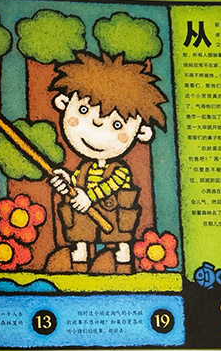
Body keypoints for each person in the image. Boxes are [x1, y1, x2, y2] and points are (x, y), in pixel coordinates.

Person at [47, 52, 167, 273]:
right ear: (64, 103)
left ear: (141, 132)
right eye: (83, 110)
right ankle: (79, 263)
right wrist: (66, 181)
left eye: (117, 125)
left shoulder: (120, 171)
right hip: (86, 217)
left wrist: (89, 196)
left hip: (116, 216)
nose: (97, 128)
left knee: (121, 242)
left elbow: (111, 185)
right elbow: (76, 183)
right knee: (80, 234)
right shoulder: (85, 168)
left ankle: (122, 264)